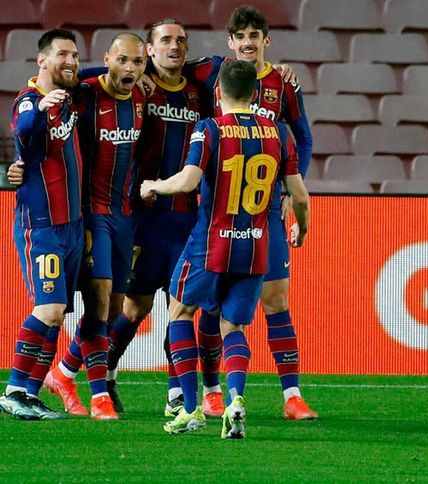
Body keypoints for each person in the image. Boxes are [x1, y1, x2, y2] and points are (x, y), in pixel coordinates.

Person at [140, 60, 310, 437]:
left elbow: (188, 182)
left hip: (211, 244)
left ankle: (190, 408)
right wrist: (303, 228)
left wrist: (154, 185)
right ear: (255, 93)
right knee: (232, 326)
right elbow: (299, 195)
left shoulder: (210, 129)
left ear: (218, 92)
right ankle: (235, 401)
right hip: (255, 247)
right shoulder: (278, 132)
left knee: (180, 312)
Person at [184, 5, 317, 420]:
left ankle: (292, 395)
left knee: (277, 300)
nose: (247, 43)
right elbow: (160, 65)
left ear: (266, 40)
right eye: (240, 36)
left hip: (264, 208)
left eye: (254, 36)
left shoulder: (283, 83)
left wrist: (289, 188)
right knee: (212, 305)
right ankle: (211, 390)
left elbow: (304, 139)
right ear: (230, 41)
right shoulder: (213, 71)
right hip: (219, 210)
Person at [36, 32, 148, 421]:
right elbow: (62, 79)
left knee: (114, 308)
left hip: (124, 216)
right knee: (98, 302)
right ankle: (99, 396)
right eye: (122, 60)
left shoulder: (141, 97)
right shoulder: (84, 95)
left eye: (138, 62)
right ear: (106, 59)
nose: (130, 68)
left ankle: (63, 374)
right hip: (90, 215)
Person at [0, 29, 83, 421]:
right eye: (62, 54)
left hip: (72, 226)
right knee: (48, 308)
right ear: (42, 60)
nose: (71, 61)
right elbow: (23, 128)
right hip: (41, 225)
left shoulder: (70, 96)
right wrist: (41, 108)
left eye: (75, 55)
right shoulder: (28, 100)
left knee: (58, 312)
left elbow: (103, 74)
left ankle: (30, 394)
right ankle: (13, 390)